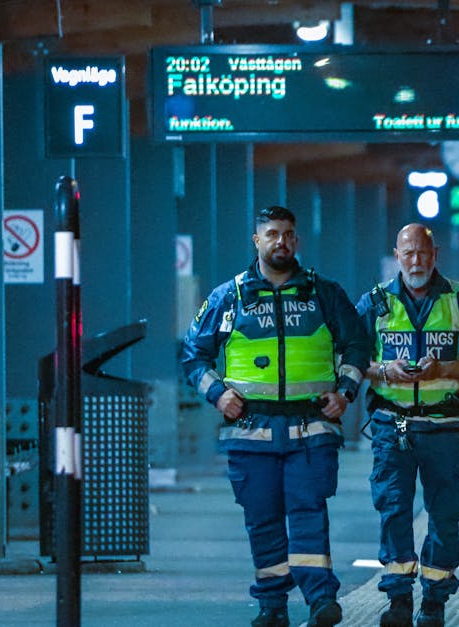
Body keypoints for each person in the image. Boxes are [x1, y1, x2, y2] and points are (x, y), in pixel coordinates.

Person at [181, 205, 368, 627]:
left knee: (308, 514)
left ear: (296, 241)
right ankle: (272, 606)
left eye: (287, 234)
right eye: (272, 234)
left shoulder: (324, 294)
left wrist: (346, 392)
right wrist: (217, 394)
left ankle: (321, 600)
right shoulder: (227, 297)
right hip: (250, 431)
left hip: (310, 429)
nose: (281, 241)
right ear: (257, 240)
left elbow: (357, 347)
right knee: (262, 520)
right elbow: (193, 355)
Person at [355, 223, 459, 627]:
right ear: (396, 255)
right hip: (391, 426)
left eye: (423, 253)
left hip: (443, 425)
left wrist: (448, 367)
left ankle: (435, 600)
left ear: (434, 254)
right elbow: (348, 357)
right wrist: (384, 369)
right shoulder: (376, 302)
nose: (416, 261)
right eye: (408, 253)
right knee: (393, 510)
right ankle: (399, 599)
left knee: (446, 513)